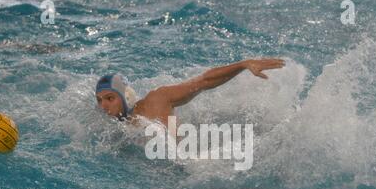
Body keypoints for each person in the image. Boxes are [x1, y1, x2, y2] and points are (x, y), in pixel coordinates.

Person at [95, 58, 285, 127]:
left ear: (126, 97)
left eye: (110, 98)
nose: (103, 106)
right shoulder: (112, 129)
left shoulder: (156, 100)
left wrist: (244, 64)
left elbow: (203, 81)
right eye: (99, 100)